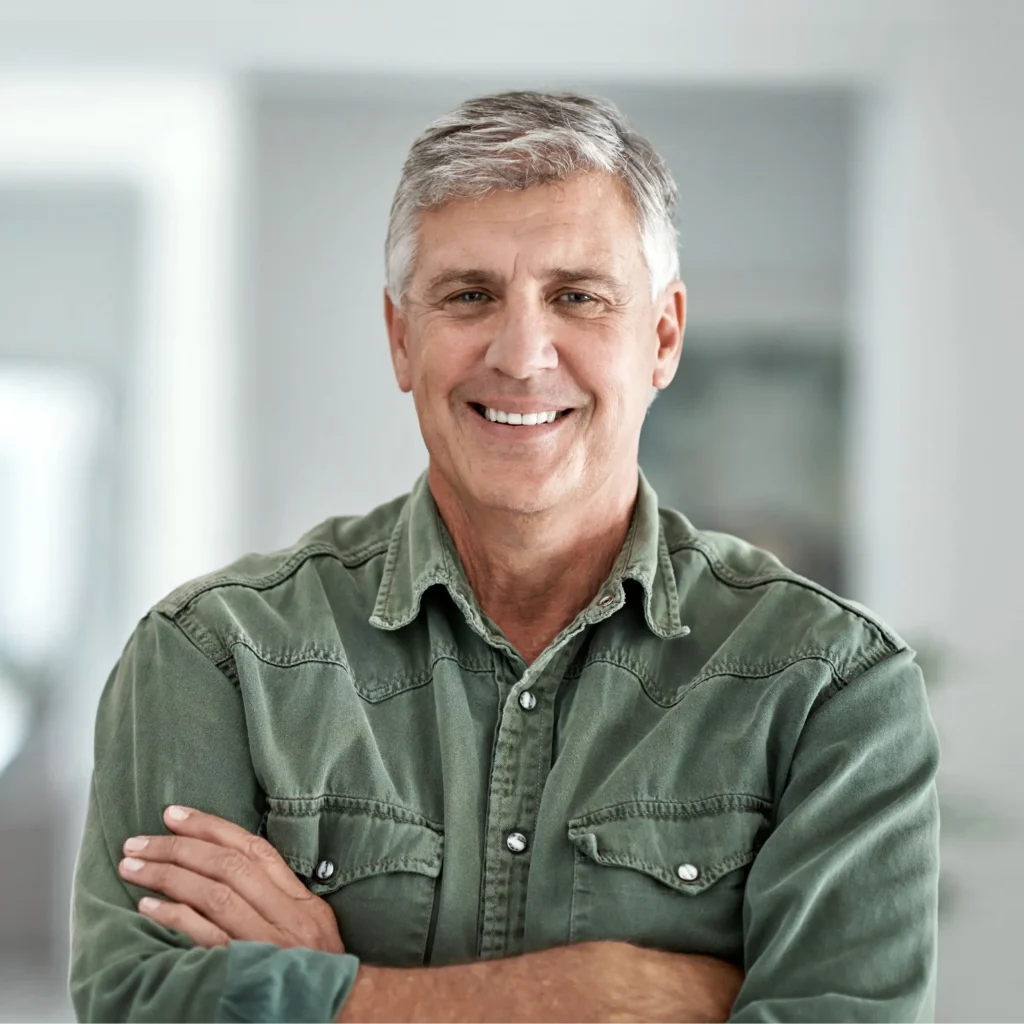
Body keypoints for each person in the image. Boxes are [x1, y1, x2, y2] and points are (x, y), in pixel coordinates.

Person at [69, 91, 939, 1023]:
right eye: (470, 295)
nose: (523, 356)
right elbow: (142, 1004)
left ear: (663, 336)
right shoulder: (214, 657)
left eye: (578, 297)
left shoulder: (831, 686)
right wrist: (593, 993)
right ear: (402, 337)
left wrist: (338, 995)